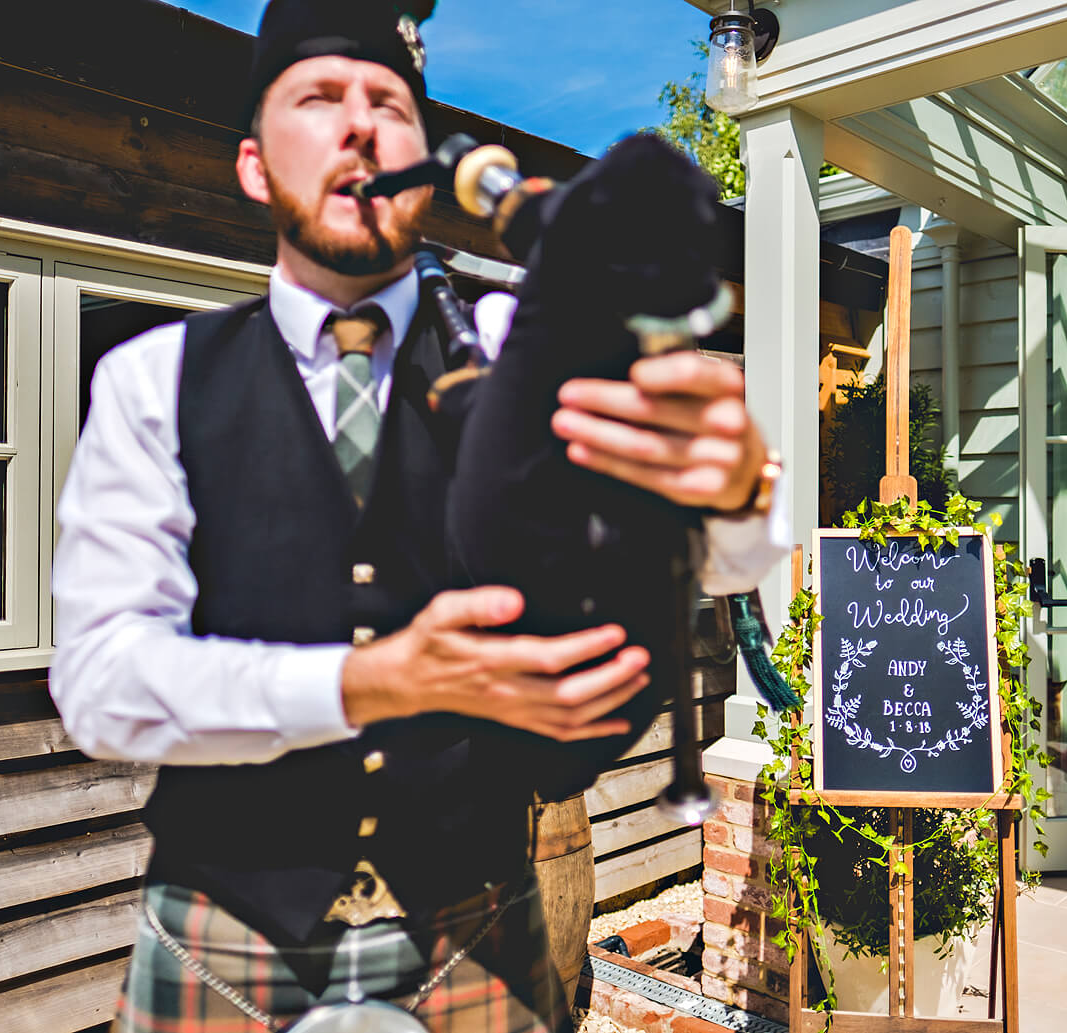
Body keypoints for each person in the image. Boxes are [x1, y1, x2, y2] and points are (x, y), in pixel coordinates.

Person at [48, 3, 785, 1030]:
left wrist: (737, 491)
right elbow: (99, 683)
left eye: (388, 104)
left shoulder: (515, 341)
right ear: (257, 166)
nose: (359, 127)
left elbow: (709, 560)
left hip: (476, 929)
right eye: (318, 98)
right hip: (222, 935)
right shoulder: (152, 380)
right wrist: (370, 680)